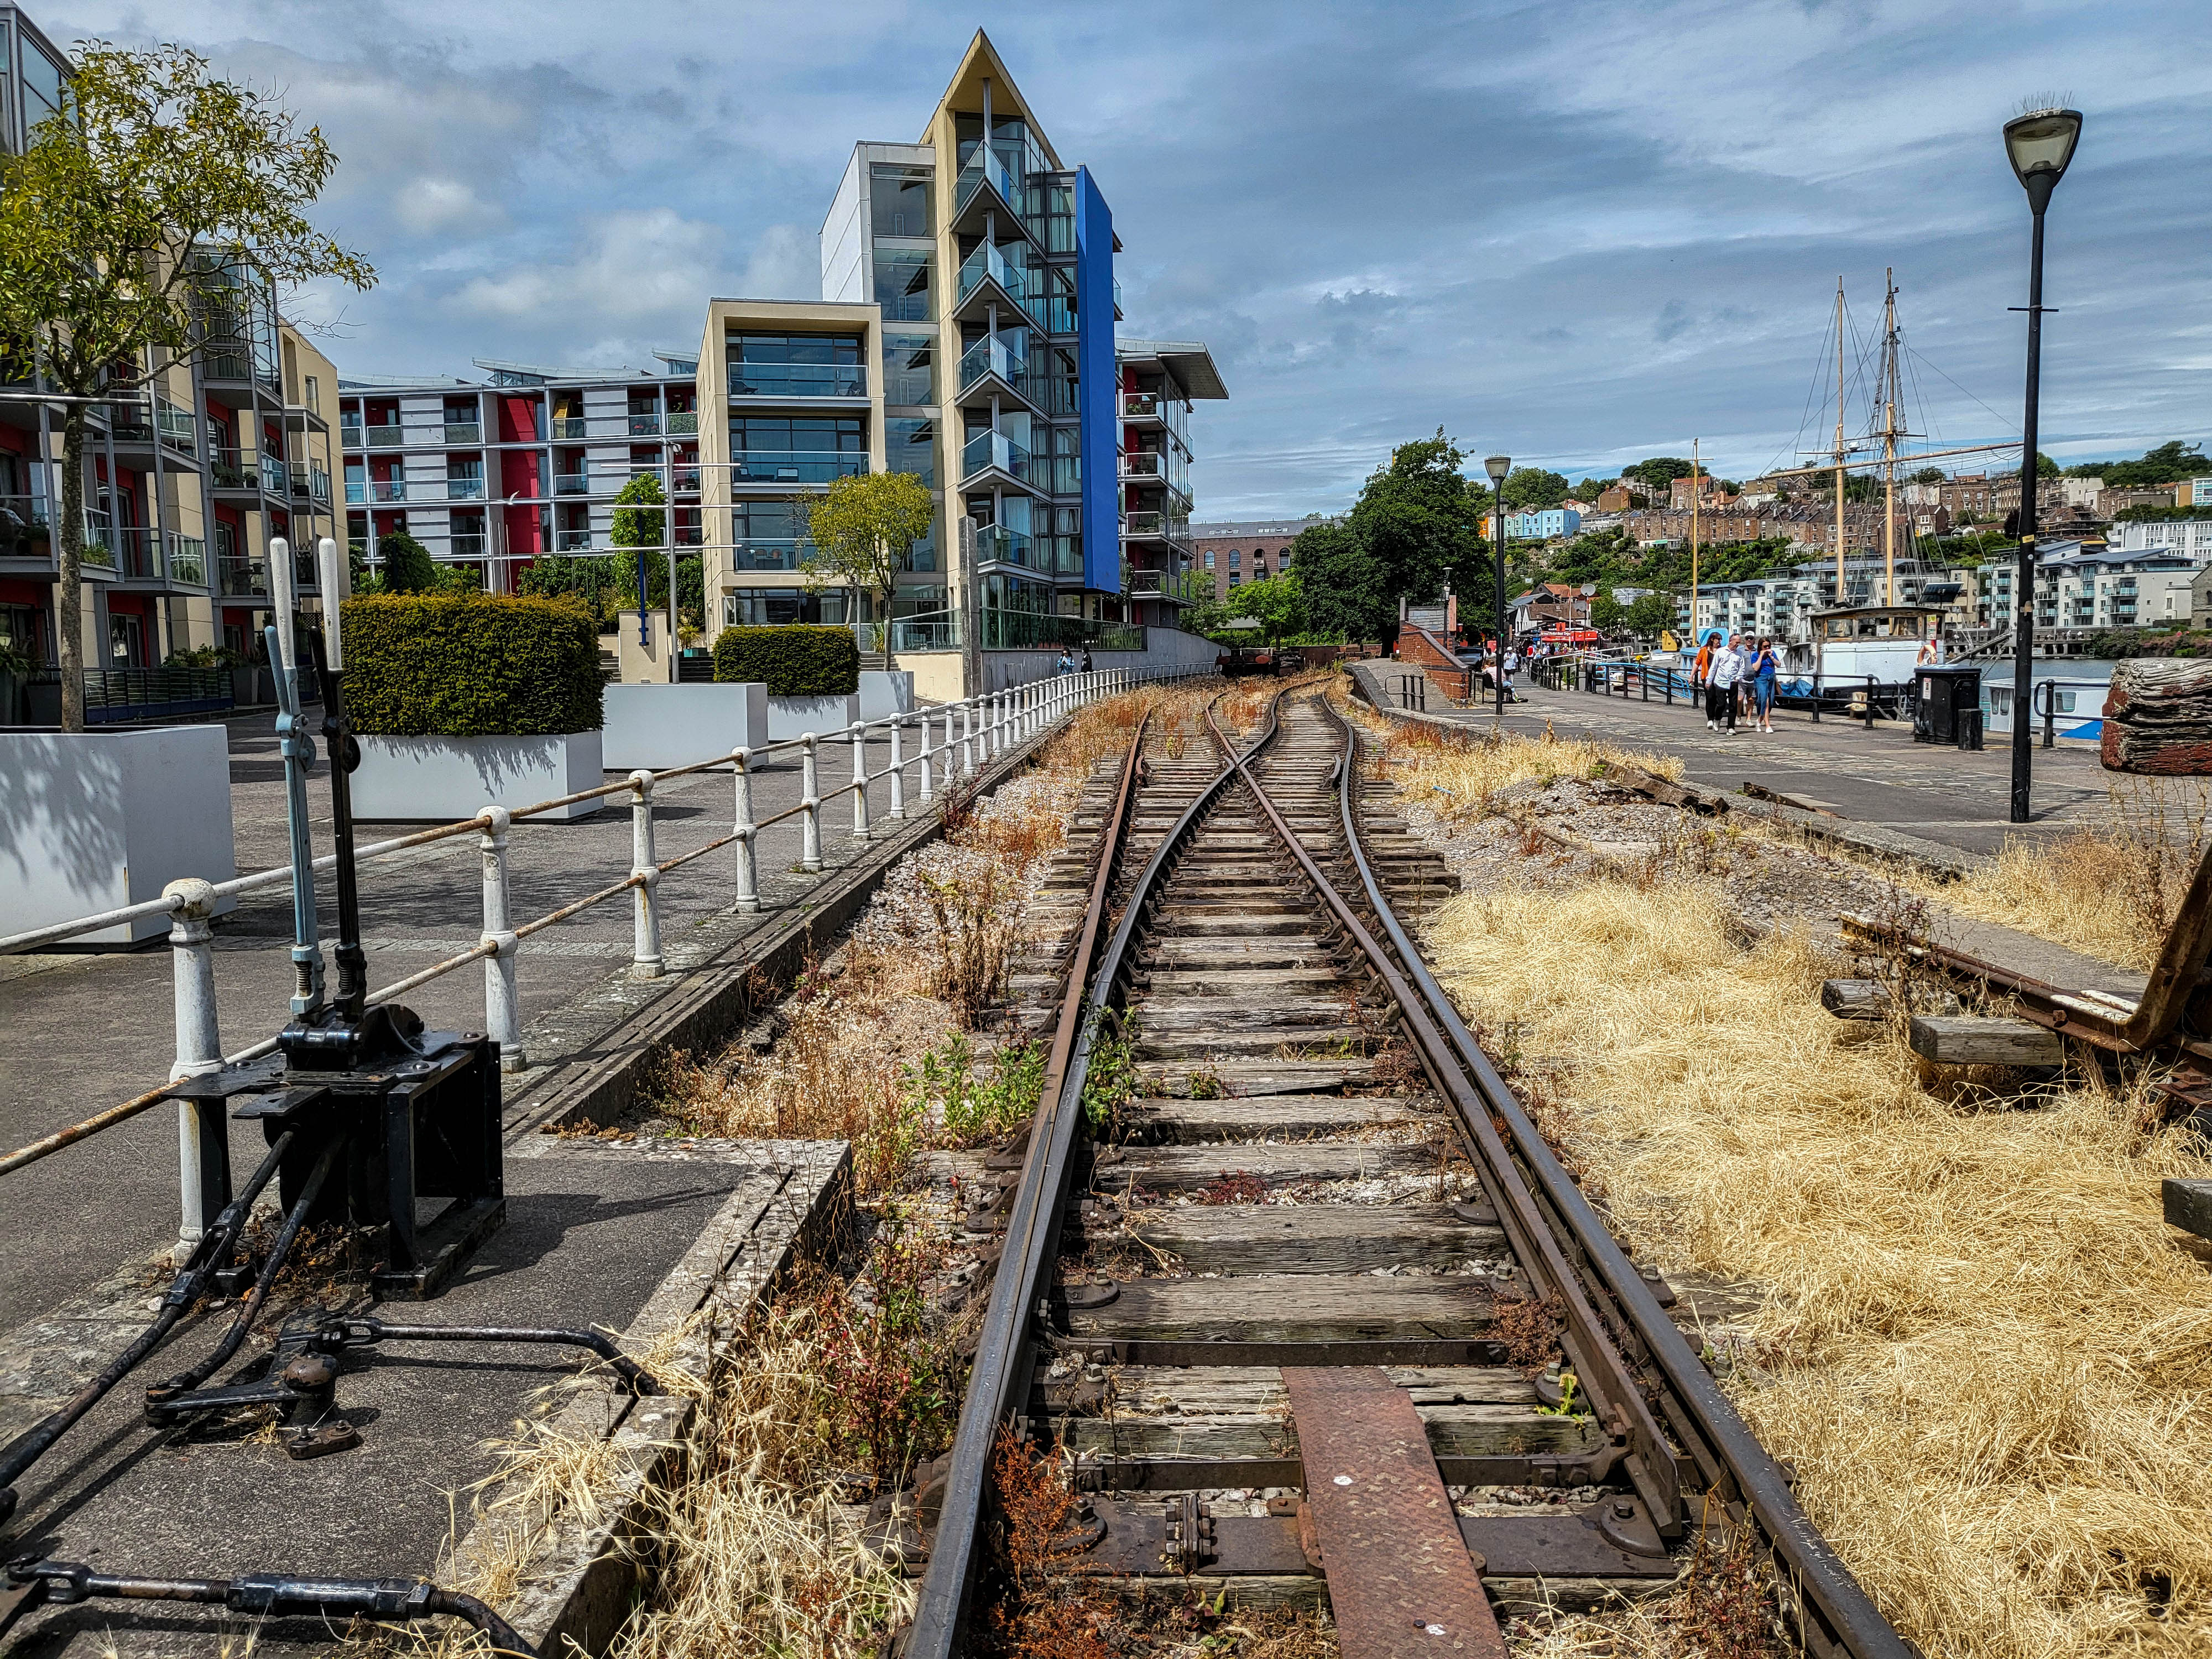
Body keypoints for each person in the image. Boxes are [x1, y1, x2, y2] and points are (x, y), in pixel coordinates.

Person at [1708, 632, 1743, 732]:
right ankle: (1717, 719)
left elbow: (1742, 668)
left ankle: (1731, 727)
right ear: (1731, 641)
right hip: (1721, 681)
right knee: (1721, 704)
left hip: (1733, 682)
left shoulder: (1739, 654)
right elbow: (1714, 666)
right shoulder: (1721, 651)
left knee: (1733, 705)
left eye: (1739, 643)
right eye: (1736, 642)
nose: (1737, 644)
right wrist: (1709, 680)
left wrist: (1738, 678)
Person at [1752, 637, 1780, 734]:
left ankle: (1760, 719)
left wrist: (1772, 657)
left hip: (1771, 678)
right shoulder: (1755, 655)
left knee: (1771, 702)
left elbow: (1779, 664)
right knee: (1765, 699)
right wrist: (1761, 656)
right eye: (1765, 646)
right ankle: (1768, 725)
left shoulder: (1772, 654)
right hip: (1761, 678)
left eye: (1768, 646)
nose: (1767, 648)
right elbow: (1756, 668)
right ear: (1760, 646)